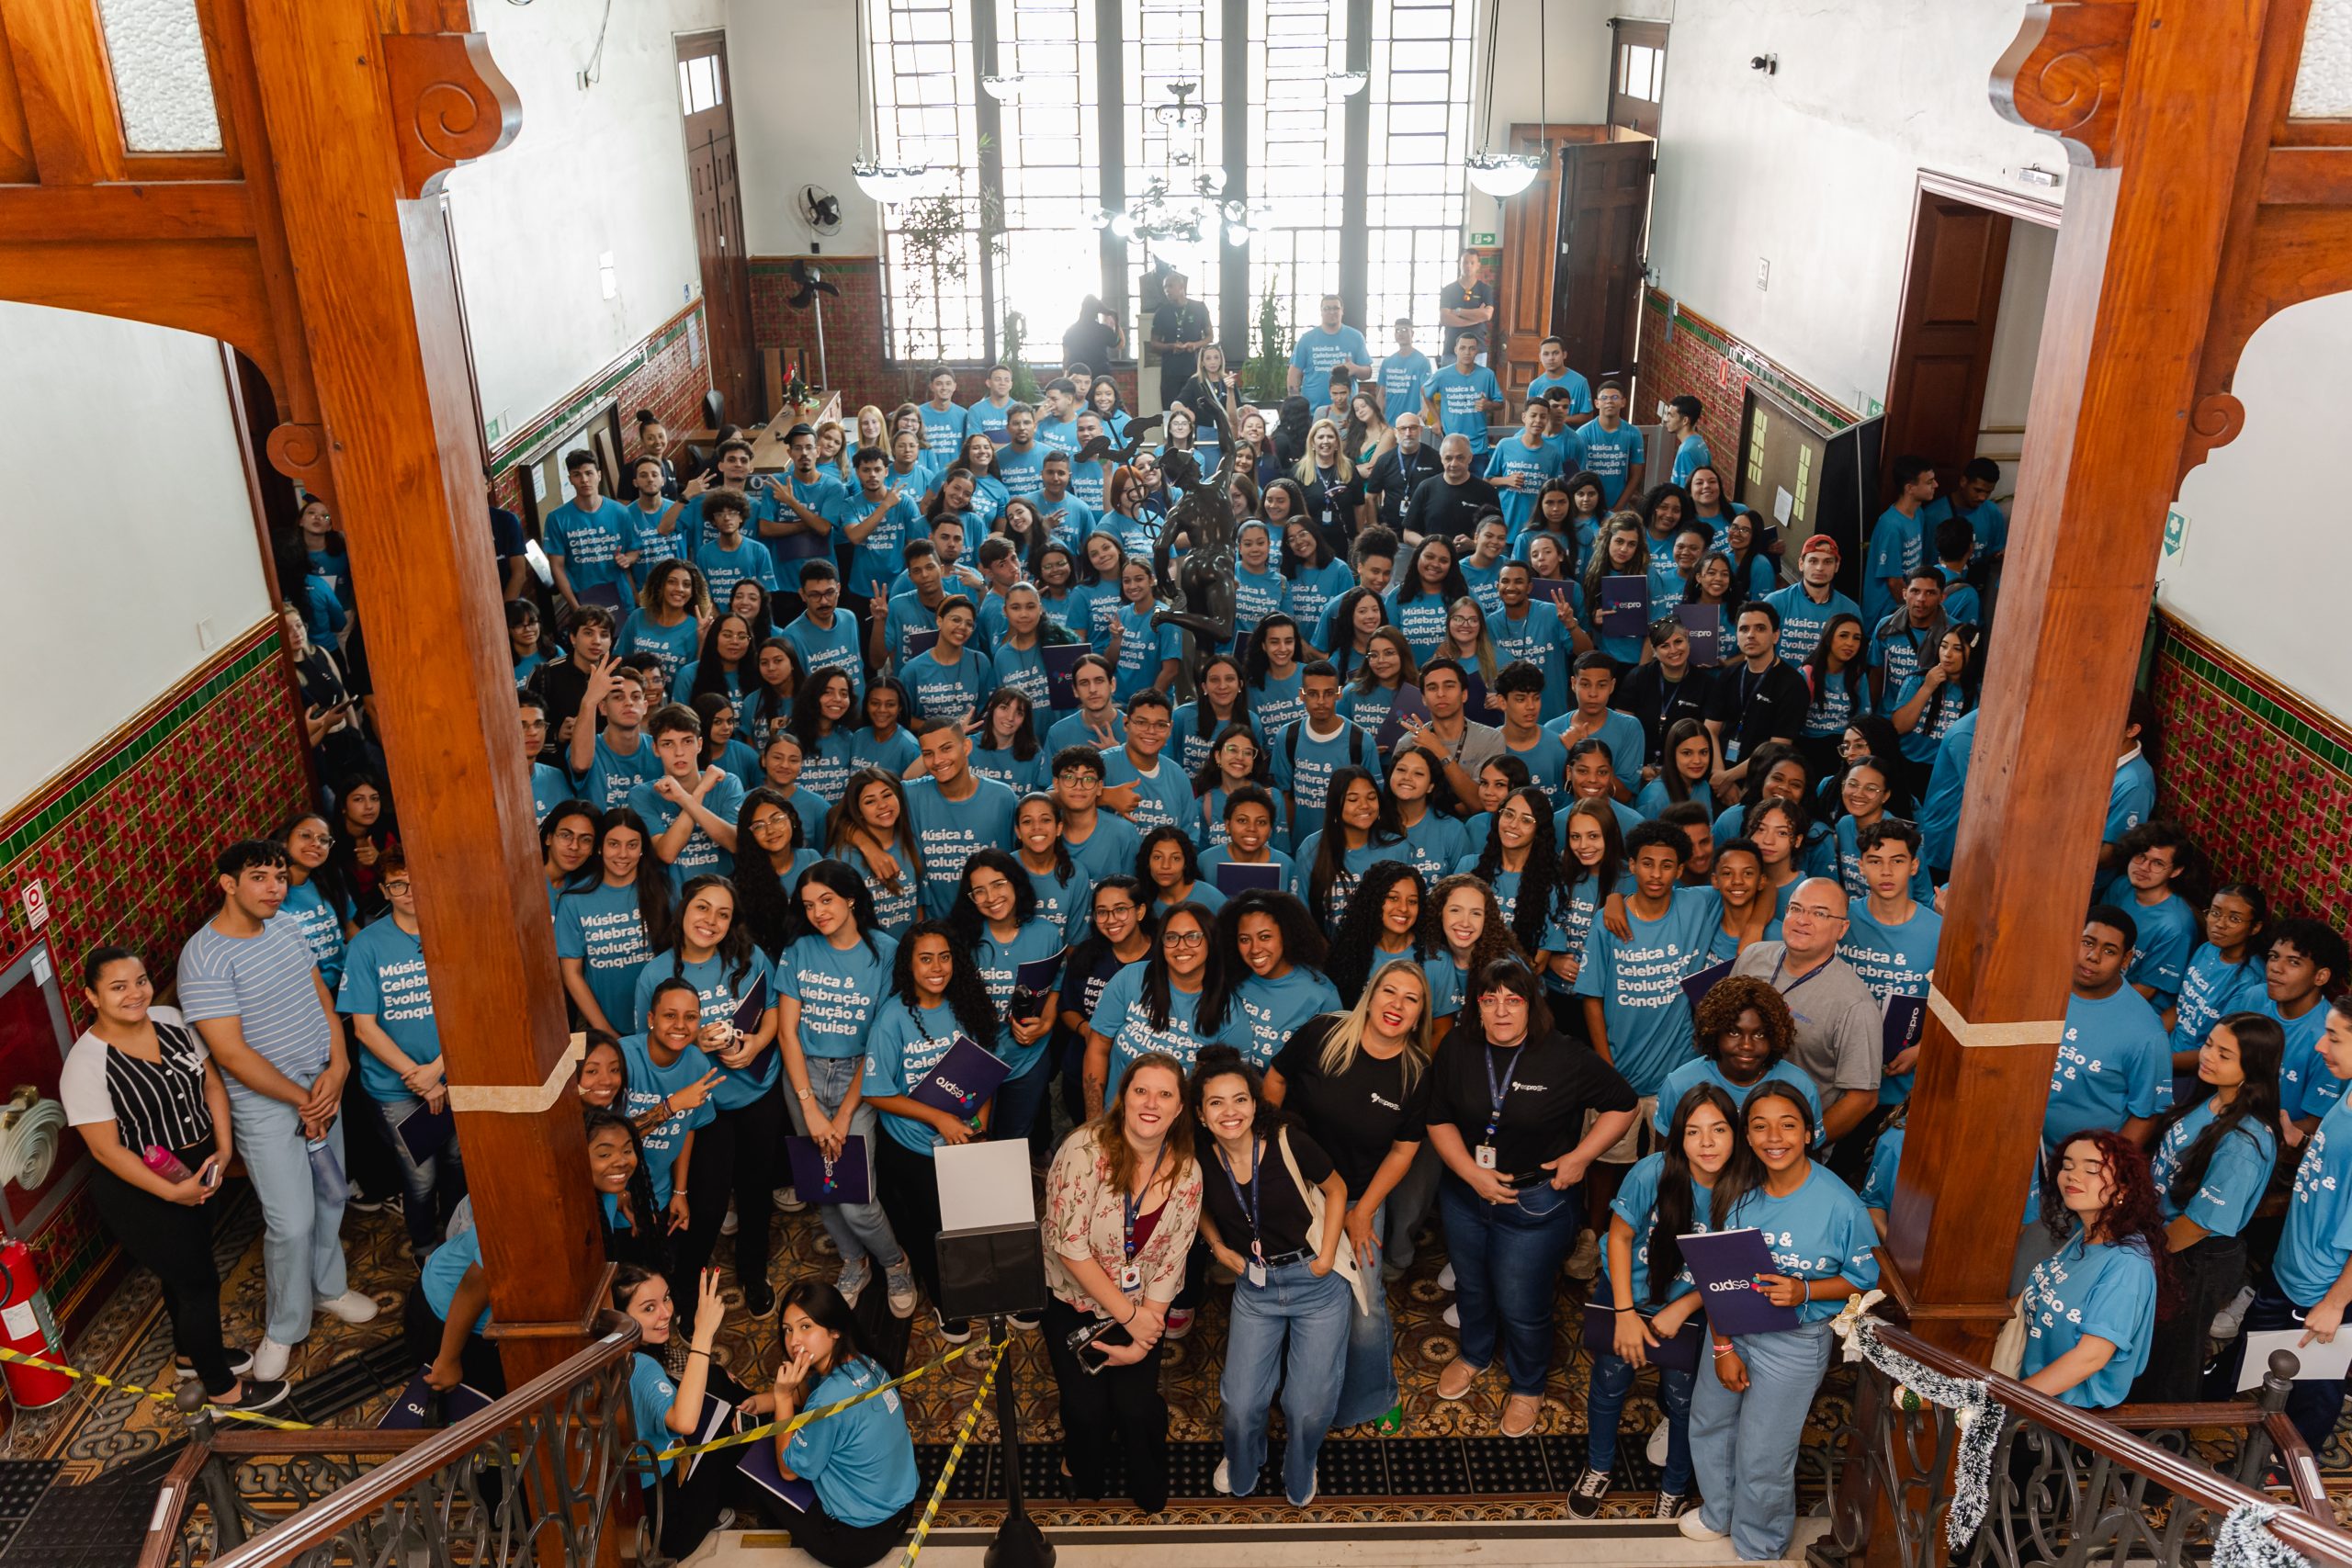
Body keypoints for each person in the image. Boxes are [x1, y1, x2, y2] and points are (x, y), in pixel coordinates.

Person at [176, 840, 376, 1383]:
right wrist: (302, 1099)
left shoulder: (287, 927)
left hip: (321, 1087)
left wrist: (338, 1067)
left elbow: (322, 1001)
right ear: (228, 884)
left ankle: (329, 1287)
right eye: (260, 877)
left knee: (331, 1195)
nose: (274, 888)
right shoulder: (204, 956)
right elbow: (231, 1053)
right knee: (290, 1223)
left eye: (280, 877)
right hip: (266, 1106)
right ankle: (284, 1328)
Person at [65, 947, 289, 1411]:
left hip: (199, 1170)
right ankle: (221, 1388)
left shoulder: (171, 1020)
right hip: (141, 1192)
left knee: (183, 1269)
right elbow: (106, 1150)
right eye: (118, 987)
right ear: (92, 996)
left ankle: (190, 1354)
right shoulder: (85, 1065)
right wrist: (172, 1192)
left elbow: (210, 1083)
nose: (135, 993)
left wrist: (223, 1148)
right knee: (198, 1282)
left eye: (140, 981)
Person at [1427, 960, 1638, 1437]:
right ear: (1477, 1006)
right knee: (1472, 1287)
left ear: (1531, 1005)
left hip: (1535, 1204)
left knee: (1522, 1303)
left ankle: (1527, 1385)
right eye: (1490, 1000)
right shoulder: (1457, 1048)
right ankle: (1474, 1354)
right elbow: (1437, 1118)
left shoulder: (1564, 1055)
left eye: (1513, 999)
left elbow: (1623, 1105)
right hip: (1465, 1195)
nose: (1501, 1011)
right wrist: (1471, 1175)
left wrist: (1581, 1157)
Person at [1679, 1084, 1877, 1559]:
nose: (1774, 1137)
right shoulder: (1736, 1191)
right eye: (1760, 1126)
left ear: (1809, 1133)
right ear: (1746, 1136)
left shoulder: (1841, 1205)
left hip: (1794, 1341)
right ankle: (1719, 1512)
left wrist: (1805, 1290)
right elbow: (1717, 1275)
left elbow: (1865, 1279)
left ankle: (1760, 1543)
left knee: (1764, 1452)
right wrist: (1723, 1346)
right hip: (1731, 1328)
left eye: (1787, 1125)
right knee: (1708, 1422)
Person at [1265, 959, 1434, 1428]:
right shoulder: (1323, 1032)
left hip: (1360, 1198)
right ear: (1370, 995)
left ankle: (1376, 1396)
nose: (1396, 1005)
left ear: (1419, 1016)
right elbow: (1275, 1078)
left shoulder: (1416, 1073)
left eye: (1411, 999)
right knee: (1290, 1291)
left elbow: (1403, 1151)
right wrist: (1267, 1148)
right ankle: (1286, 1392)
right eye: (1389, 991)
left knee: (1365, 1305)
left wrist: (1366, 1212)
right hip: (1295, 1190)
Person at [1192, 1046, 1354, 1506]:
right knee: (1241, 1403)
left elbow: (1337, 1189)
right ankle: (1244, 1459)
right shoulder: (1200, 1160)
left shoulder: (1287, 1141)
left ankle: (1302, 1462)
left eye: (1240, 1099)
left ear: (1254, 1103)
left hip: (1316, 1284)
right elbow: (1197, 1207)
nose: (1230, 1112)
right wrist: (1218, 1246)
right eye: (1216, 1102)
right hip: (1255, 1288)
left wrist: (1325, 1256)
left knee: (1307, 1406)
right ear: (1201, 1115)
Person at [1042, 1053, 1204, 1511]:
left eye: (1165, 1094)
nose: (1151, 1103)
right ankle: (1079, 1465)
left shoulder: (1188, 1171)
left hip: (1144, 1307)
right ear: (1124, 1098)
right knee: (1087, 1411)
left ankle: (1145, 1470)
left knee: (1135, 1407)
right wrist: (1130, 1317)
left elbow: (1174, 1257)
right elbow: (1070, 1247)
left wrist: (1144, 1331)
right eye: (1141, 1091)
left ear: (1179, 1108)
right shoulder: (1083, 1151)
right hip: (1074, 1301)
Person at [1575, 1082, 1742, 1520]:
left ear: (1736, 1133)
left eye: (1719, 1129)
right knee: (1610, 1381)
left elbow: (1734, 1268)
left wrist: (1685, 1307)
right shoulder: (1651, 1172)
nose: (1706, 1143)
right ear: (1678, 1135)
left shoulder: (1746, 1189)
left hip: (1691, 1306)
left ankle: (1675, 1486)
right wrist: (1625, 1314)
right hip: (1627, 1294)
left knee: (1683, 1399)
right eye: (1693, 1131)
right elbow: (1620, 1238)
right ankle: (1598, 1466)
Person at [861, 920, 1003, 1340]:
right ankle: (945, 1300)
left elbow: (984, 1073)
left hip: (963, 1143)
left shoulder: (967, 1006)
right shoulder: (892, 1018)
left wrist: (980, 1124)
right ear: (909, 965)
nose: (937, 967)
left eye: (944, 957)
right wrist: (938, 1119)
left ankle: (975, 1285)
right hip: (912, 1150)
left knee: (968, 1223)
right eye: (925, 959)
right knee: (931, 1232)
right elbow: (876, 1092)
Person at [2132, 1011, 2278, 1403]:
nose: (2208, 1056)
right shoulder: (2213, 1099)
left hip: (2193, 1256)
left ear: (2254, 1068)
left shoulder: (2244, 1142)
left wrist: (2149, 1255)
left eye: (2224, 1054)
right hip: (2164, 1241)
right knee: (2151, 1345)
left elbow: (2198, 1224)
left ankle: (2161, 1436)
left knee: (2173, 1358)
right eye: (2209, 1045)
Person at [2228, 995, 2352, 1449]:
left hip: (2322, 1287)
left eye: (2334, 1037)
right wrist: (2301, 1140)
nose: (2320, 1046)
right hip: (2291, 1268)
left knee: (2313, 1391)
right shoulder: (2348, 1090)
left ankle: (2292, 1467)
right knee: (2249, 1353)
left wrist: (2335, 1304)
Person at [337, 852, 464, 1258]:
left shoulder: (452, 932)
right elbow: (364, 1028)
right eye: (398, 884)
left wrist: (438, 1070)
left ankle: (457, 1240)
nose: (409, 892)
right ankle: (424, 1247)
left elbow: (470, 1009)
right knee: (421, 1175)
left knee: (457, 1161)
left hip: (453, 1073)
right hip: (395, 1088)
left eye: (417, 882)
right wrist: (419, 1078)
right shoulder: (367, 945)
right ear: (384, 890)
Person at [763, 1279, 922, 1565]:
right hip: (903, 1508)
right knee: (780, 1421)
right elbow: (812, 1390)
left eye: (805, 1326)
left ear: (834, 1330)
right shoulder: (866, 1363)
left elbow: (788, 1471)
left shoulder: (827, 1403)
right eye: (788, 1329)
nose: (794, 1340)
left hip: (858, 1539)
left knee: (758, 1460)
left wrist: (782, 1398)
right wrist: (768, 1399)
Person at [2017, 1130, 2165, 1412]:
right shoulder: (2085, 1236)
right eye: (2068, 1166)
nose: (2073, 1176)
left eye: (2092, 1170)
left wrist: (2005, 1401)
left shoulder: (2127, 1265)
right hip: (2036, 1398)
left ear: (2123, 1188)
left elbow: (2090, 1357)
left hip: (2066, 1417)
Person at [1726, 880, 1883, 1146]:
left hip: (1787, 1144)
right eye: (1796, 908)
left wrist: (1803, 1146)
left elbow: (1863, 1099)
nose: (1802, 920)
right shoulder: (1752, 957)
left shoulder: (1855, 1005)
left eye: (1820, 913)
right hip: (1730, 1125)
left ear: (1842, 928)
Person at [2045, 907, 2170, 1150]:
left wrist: (2103, 1167)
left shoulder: (2146, 1034)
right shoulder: (2042, 985)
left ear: (2126, 959)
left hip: (2075, 1166)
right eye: (2087, 943)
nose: (2094, 956)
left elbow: (2146, 1115)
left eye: (2109, 951)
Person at [555, 808, 667, 1035]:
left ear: (642, 849)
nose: (623, 854)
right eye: (614, 844)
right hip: (602, 1028)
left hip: (661, 1026)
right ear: (599, 847)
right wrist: (608, 1035)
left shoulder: (663, 892)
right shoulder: (574, 900)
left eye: (632, 845)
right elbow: (571, 975)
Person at [1208, 890, 1341, 1067]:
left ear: (1286, 936)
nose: (1255, 949)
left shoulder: (1322, 996)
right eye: (1245, 939)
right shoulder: (1229, 978)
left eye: (1265, 937)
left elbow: (1328, 1068)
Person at [1705, 604, 1812, 802]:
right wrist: (1719, 774)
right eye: (1744, 629)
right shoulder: (1728, 674)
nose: (1751, 635)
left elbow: (1778, 747)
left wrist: (1728, 778)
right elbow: (1710, 729)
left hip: (1762, 782)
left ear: (1776, 636)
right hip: (1718, 776)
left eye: (1760, 628)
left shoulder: (1793, 684)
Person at [2098, 820, 2201, 1010]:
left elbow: (2146, 990)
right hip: (2101, 981)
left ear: (2176, 871)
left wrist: (2093, 1003)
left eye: (2157, 863)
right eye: (2141, 856)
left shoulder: (2176, 927)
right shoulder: (2122, 885)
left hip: (2134, 1005)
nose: (2144, 867)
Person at [1425, 329, 1504, 457]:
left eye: (1472, 348)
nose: (1467, 352)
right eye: (1463, 348)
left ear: (1477, 351)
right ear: (1456, 350)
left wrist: (1488, 405)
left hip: (1478, 445)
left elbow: (1500, 404)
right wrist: (1437, 420)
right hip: (1451, 443)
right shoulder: (1442, 375)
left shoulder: (1487, 375)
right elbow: (1425, 392)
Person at [1289, 293, 1373, 399]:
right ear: (1321, 312)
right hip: (1313, 407)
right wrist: (1294, 400)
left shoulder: (1356, 337)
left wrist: (1355, 369)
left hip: (1347, 406)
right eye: (1327, 309)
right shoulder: (1306, 339)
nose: (1332, 312)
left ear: (1342, 311)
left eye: (1336, 308)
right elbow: (1294, 373)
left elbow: (1368, 373)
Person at [1149, 271, 1214, 405]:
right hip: (1170, 372)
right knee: (1170, 409)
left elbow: (1210, 337)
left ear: (1181, 287)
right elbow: (1153, 344)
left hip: (1194, 369)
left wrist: (1195, 345)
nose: (1167, 290)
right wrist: (1171, 346)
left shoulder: (1199, 308)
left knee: (1197, 409)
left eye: (1170, 286)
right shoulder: (1161, 312)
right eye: (1165, 287)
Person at [1662, 395, 1710, 487]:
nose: (1667, 419)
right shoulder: (1699, 441)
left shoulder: (1686, 452)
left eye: (1671, 416)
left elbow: (1687, 489)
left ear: (1685, 420)